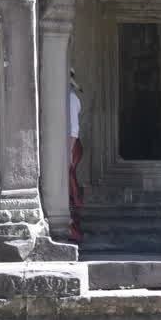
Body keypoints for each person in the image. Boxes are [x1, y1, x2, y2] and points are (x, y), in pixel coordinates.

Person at [68, 71, 84, 241]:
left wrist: (68, 152)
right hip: (66, 145)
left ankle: (74, 231)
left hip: (71, 145)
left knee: (68, 185)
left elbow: (74, 129)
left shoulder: (71, 99)